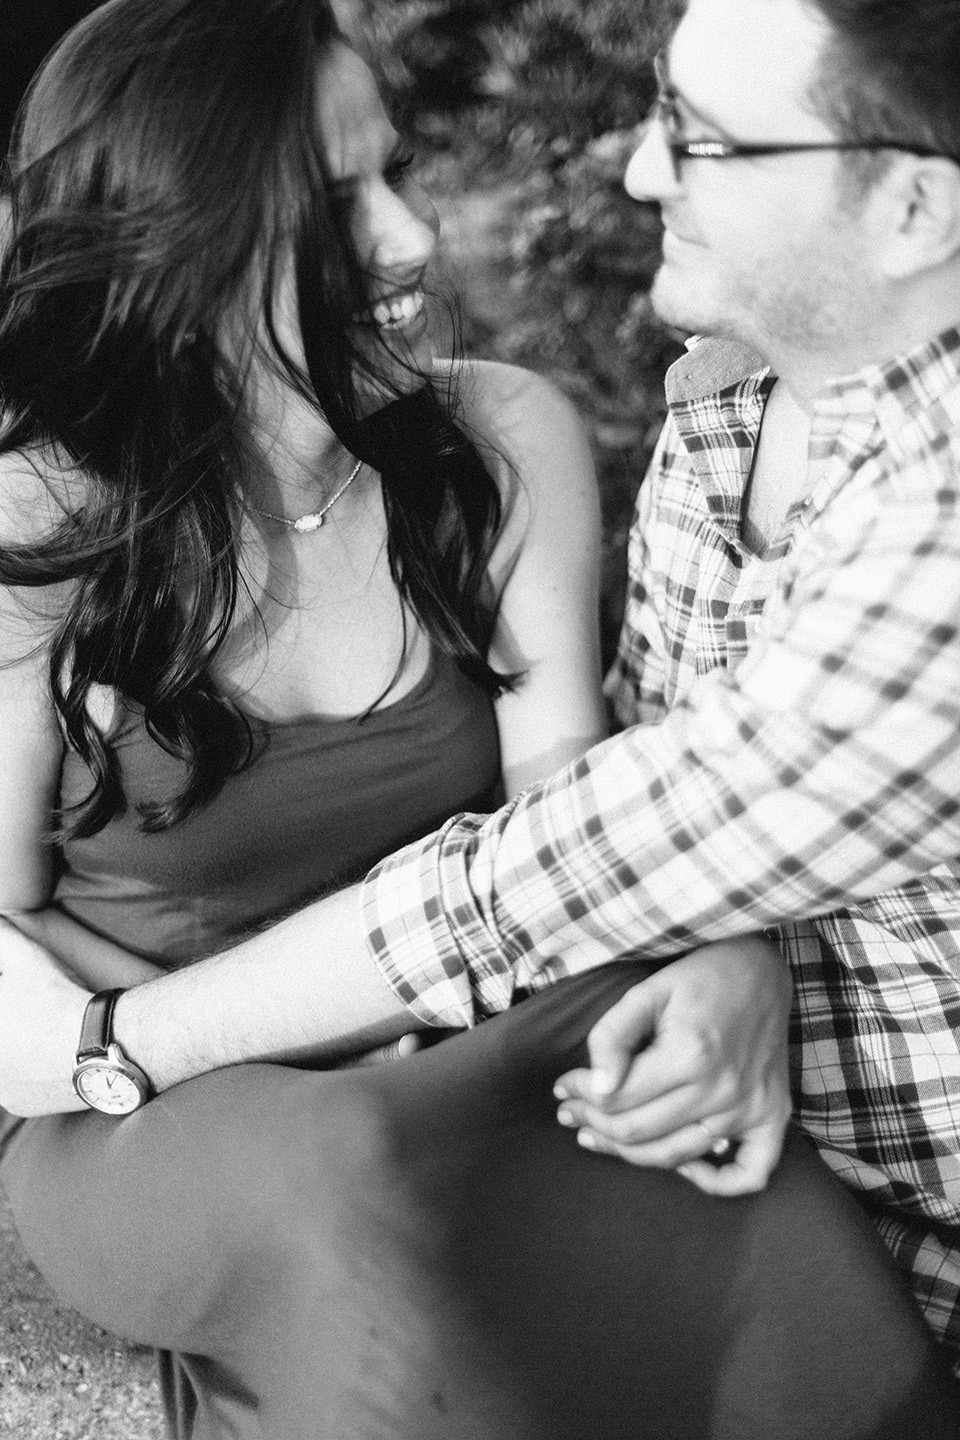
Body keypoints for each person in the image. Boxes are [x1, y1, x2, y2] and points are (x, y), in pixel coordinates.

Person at [1, 0, 959, 1436]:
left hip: (485, 1015)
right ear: (179, 239)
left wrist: (722, 950)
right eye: (334, 202)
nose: (412, 236)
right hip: (149, 1088)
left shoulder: (501, 441)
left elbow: (580, 816)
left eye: (394, 175)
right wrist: (145, 1046)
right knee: (349, 1182)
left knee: (690, 1152)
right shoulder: (38, 524)